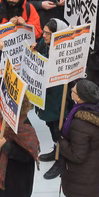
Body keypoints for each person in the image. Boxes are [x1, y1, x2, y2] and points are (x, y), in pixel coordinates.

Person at [35, 18, 68, 180]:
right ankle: (56, 149)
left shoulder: (64, 49)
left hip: (59, 97)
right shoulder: (43, 43)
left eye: (48, 33)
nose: (44, 35)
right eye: (44, 32)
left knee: (59, 128)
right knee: (50, 124)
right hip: (46, 95)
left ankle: (61, 159)